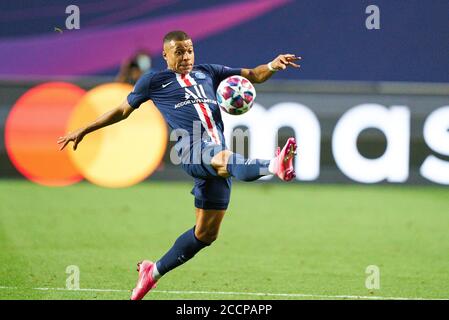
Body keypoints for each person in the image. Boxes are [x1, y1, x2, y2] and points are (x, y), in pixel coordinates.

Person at [57, 30, 301, 300]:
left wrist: (271, 65)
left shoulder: (208, 72)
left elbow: (253, 75)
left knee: (205, 234)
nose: (186, 56)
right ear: (165, 55)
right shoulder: (154, 81)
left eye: (190, 50)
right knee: (224, 157)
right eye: (179, 52)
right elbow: (121, 110)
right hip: (191, 149)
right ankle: (274, 165)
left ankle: (152, 272)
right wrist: (85, 129)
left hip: (214, 157)